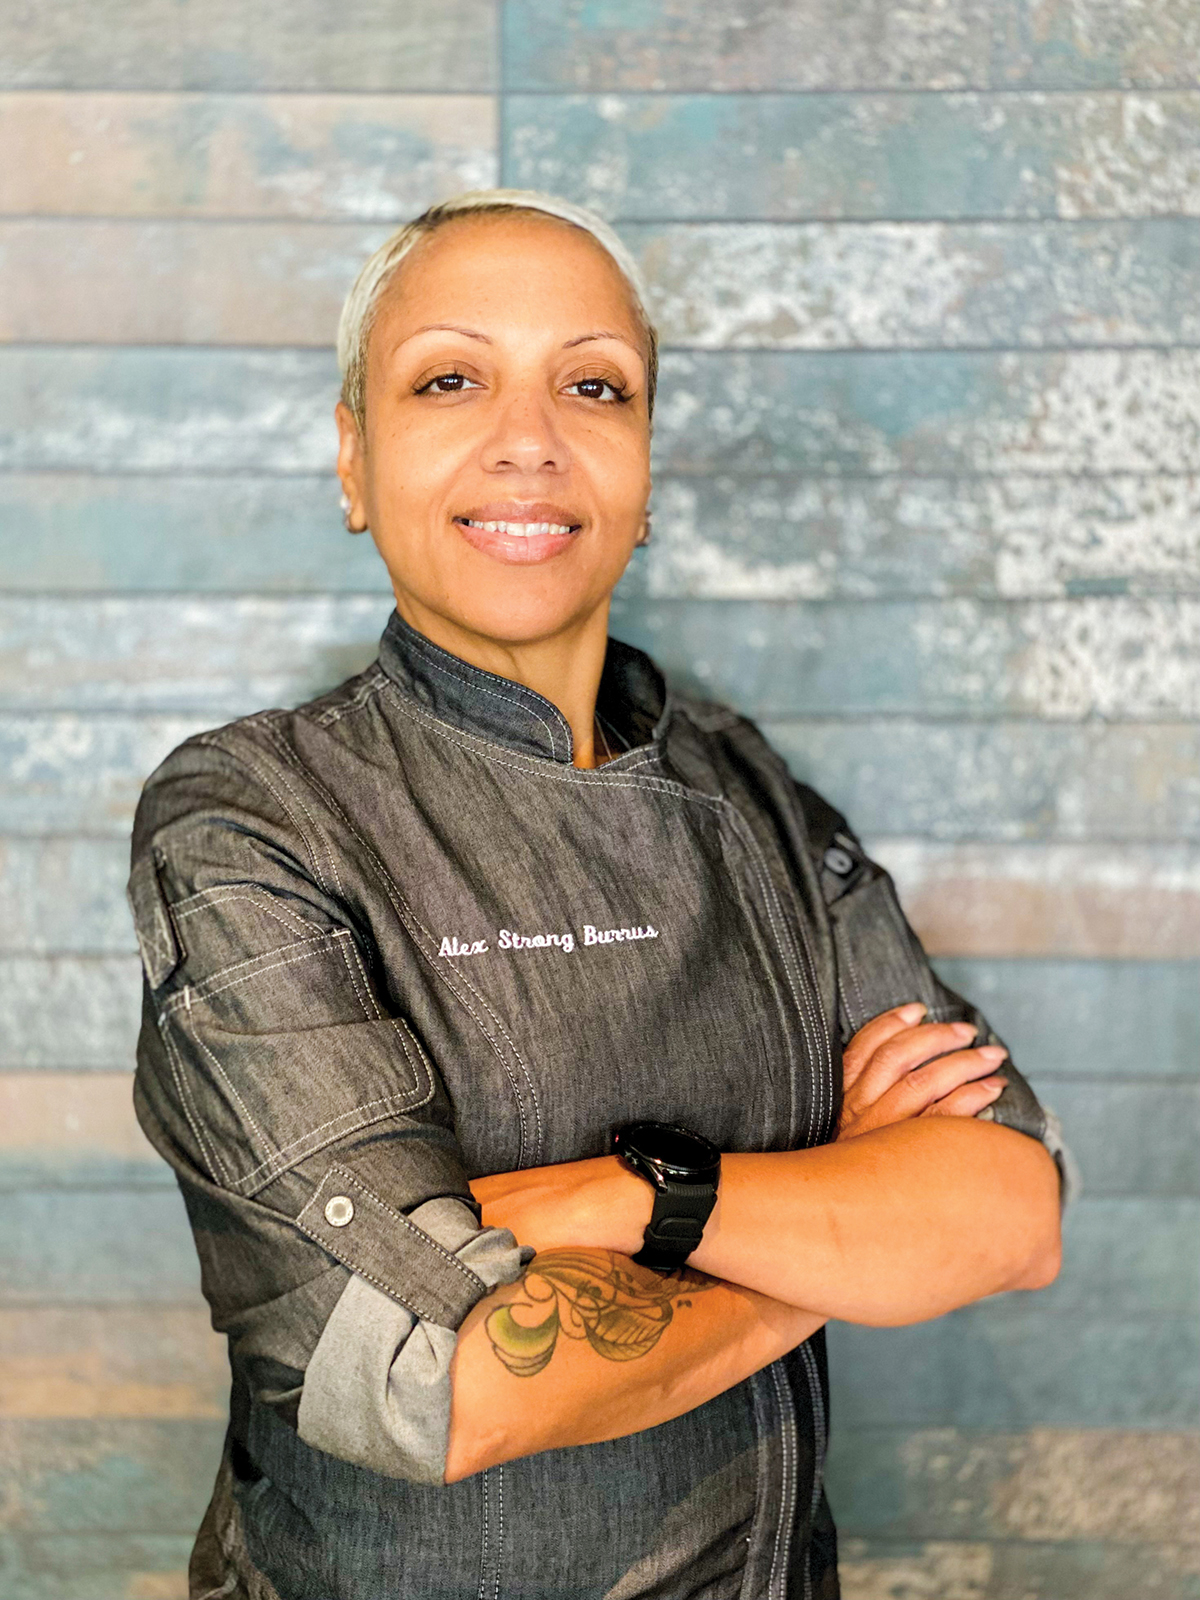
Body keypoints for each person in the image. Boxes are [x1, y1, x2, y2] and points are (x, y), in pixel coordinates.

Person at [127, 189, 1065, 1600]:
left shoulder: (751, 793)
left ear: (642, 474)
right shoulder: (252, 820)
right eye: (450, 379)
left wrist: (617, 1205)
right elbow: (427, 1379)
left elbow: (1009, 1214)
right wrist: (838, 1233)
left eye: (593, 385)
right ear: (352, 462)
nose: (527, 439)